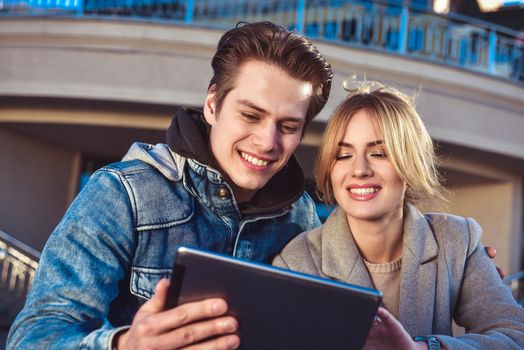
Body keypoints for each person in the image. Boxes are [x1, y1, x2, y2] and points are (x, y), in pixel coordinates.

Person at [7, 21, 333, 349]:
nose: (267, 142)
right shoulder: (121, 195)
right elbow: (32, 339)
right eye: (250, 116)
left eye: (288, 126)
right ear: (212, 104)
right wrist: (125, 345)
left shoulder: (300, 217)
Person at [273, 82, 524, 349]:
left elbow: (513, 335)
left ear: (409, 163)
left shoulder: (457, 240)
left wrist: (423, 348)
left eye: (379, 153)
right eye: (344, 155)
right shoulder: (296, 263)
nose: (359, 169)